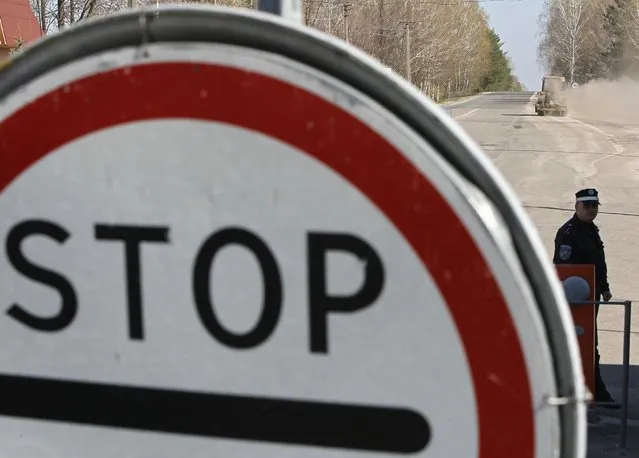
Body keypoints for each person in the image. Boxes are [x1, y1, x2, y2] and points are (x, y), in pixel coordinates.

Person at [553, 188, 619, 408]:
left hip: (590, 295)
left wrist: (604, 287)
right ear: (576, 206)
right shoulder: (569, 233)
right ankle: (589, 391)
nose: (592, 210)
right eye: (587, 206)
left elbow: (598, 262)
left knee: (590, 343)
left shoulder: (591, 230)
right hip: (576, 299)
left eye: (594, 206)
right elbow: (564, 268)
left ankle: (594, 390)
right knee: (582, 343)